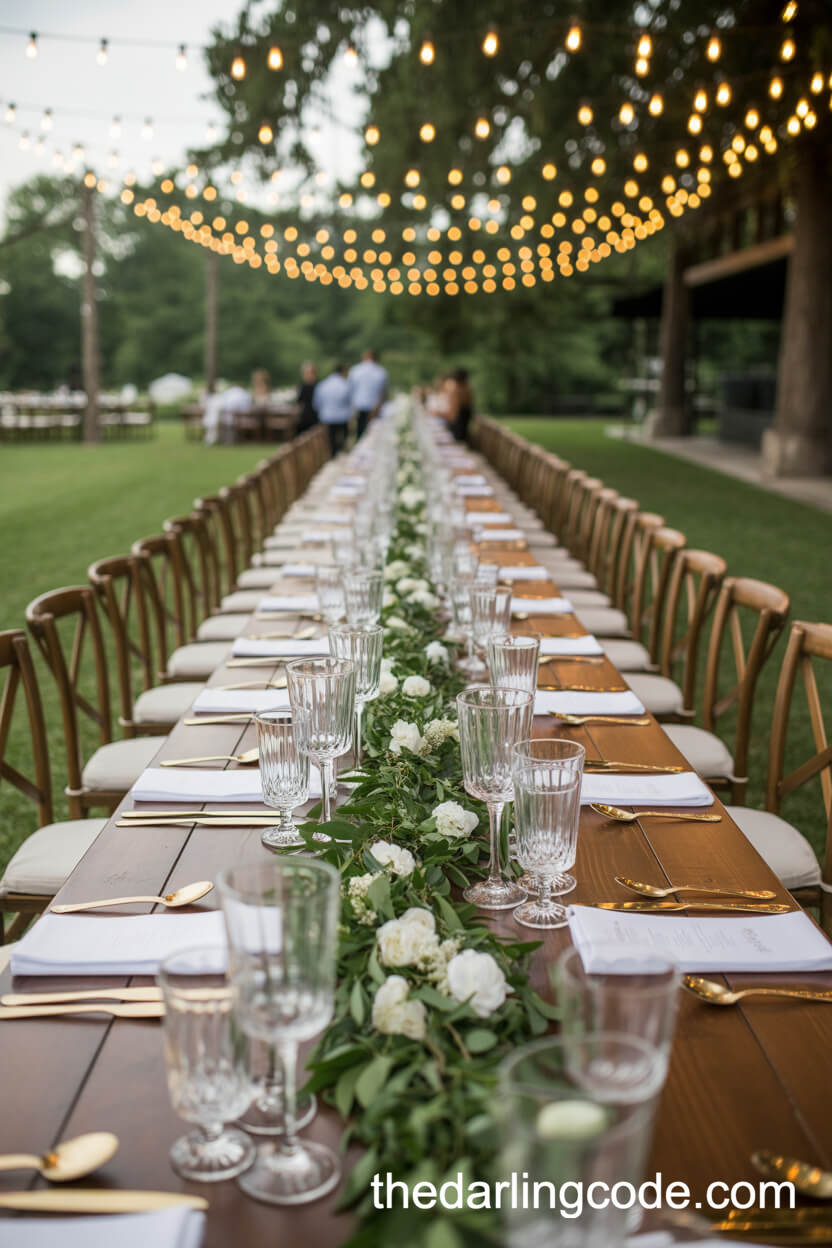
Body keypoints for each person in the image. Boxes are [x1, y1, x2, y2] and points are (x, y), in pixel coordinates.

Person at [313, 363, 352, 456]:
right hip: (342, 418)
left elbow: (316, 404)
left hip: (327, 417)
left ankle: (333, 457)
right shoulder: (345, 385)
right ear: (343, 372)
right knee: (342, 444)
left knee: (330, 444)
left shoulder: (323, 384)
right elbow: (350, 402)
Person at [349, 349, 388, 440]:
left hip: (358, 406)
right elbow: (383, 392)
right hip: (375, 407)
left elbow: (351, 389)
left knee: (360, 431)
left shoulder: (355, 370)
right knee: (374, 434)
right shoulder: (381, 371)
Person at [447, 367, 474, 444]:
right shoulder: (468, 388)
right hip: (464, 417)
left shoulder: (458, 389)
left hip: (459, 420)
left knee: (457, 439)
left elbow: (454, 412)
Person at [295, 361, 318, 434]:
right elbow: (299, 402)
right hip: (305, 416)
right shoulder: (302, 386)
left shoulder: (319, 386)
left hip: (316, 416)